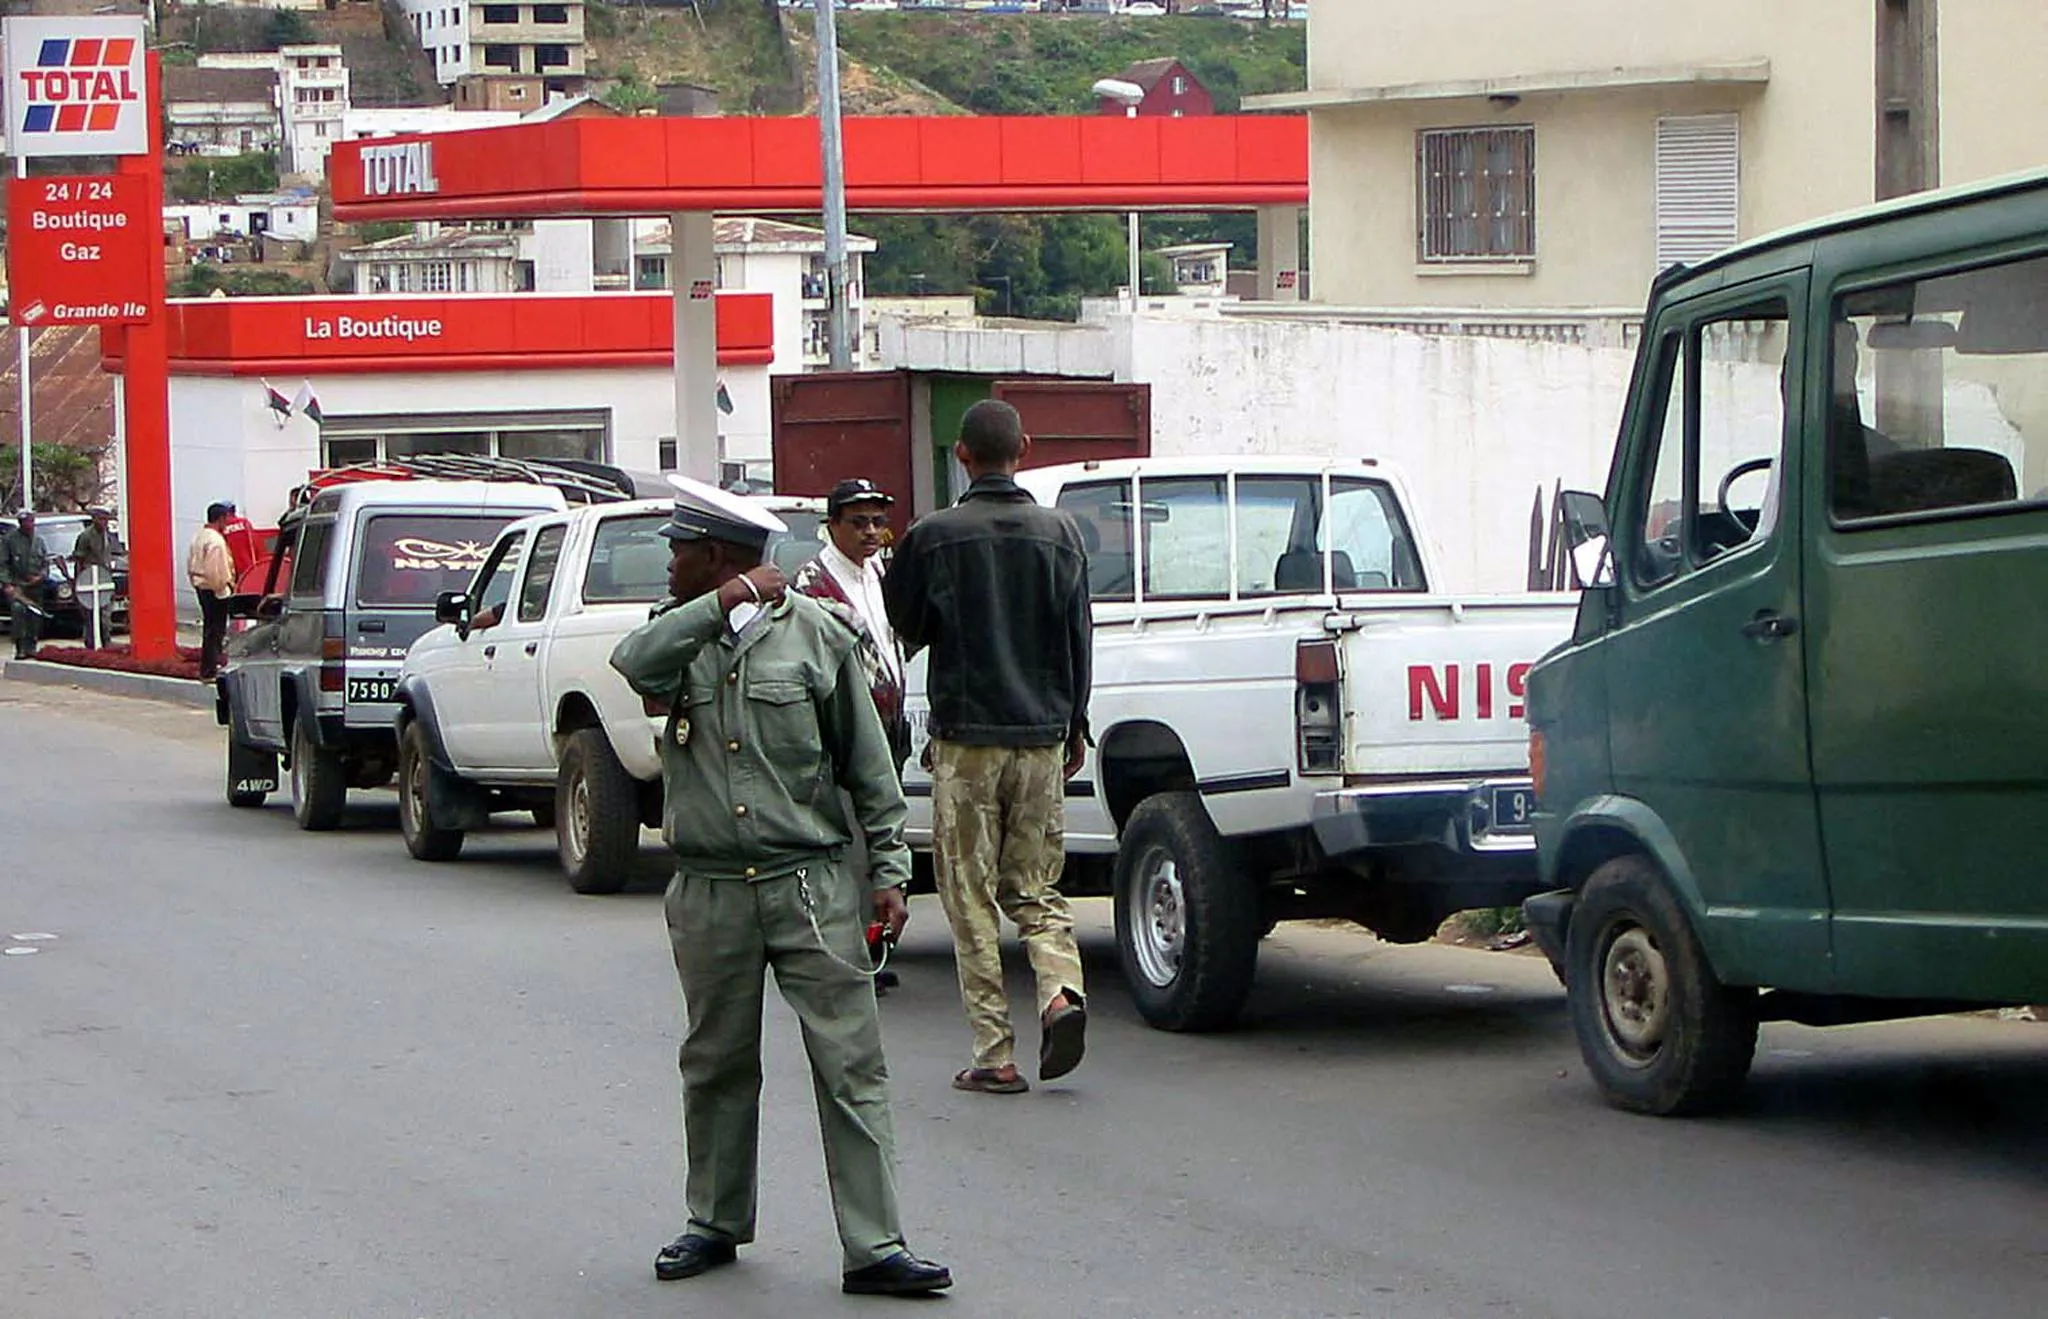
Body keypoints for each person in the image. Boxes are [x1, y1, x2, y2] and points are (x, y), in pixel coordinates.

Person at [608, 477, 952, 1298]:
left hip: (809, 883)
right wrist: (721, 600)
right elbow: (634, 665)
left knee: (850, 1064)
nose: (669, 564)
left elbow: (869, 767)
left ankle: (875, 1244)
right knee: (716, 1062)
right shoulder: (679, 632)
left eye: (680, 551)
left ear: (715, 553)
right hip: (712, 888)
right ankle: (715, 1219)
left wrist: (890, 872)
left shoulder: (818, 635)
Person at [884, 399, 1093, 1096]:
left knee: (969, 894)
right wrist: (1076, 723)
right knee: (1035, 884)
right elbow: (1078, 637)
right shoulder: (1062, 533)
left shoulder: (933, 535)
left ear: (962, 455)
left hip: (967, 741)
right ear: (1023, 448)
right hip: (1041, 737)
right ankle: (1059, 990)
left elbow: (907, 624)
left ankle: (994, 1052)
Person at [794, 478, 910, 992]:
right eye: (858, 522)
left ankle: (875, 944)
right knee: (854, 849)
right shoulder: (812, 583)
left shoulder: (880, 574)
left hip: (888, 728)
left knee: (883, 839)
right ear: (832, 525)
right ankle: (855, 951)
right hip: (842, 736)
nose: (871, 533)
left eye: (878, 522)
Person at [187, 503, 236, 680]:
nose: (228, 522)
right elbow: (216, 571)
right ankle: (210, 669)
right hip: (215, 590)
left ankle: (209, 667)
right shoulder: (215, 541)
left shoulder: (198, 537)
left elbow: (190, 564)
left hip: (201, 587)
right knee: (216, 631)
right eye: (226, 518)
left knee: (209, 629)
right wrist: (224, 588)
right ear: (221, 518)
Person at [3, 510, 50, 660]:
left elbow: (45, 563)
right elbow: (3, 564)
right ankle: (20, 648)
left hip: (36, 586)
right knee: (19, 612)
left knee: (35, 616)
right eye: (25, 522)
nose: (29, 525)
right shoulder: (9, 540)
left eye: (31, 522)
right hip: (18, 586)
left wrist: (41, 576)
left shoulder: (39, 541)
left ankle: (31, 647)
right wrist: (7, 583)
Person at [70, 508, 120, 645]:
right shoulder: (85, 536)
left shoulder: (108, 536)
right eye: (101, 519)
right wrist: (78, 583)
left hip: (104, 577)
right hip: (89, 578)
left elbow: (111, 556)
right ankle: (91, 642)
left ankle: (106, 641)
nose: (104, 522)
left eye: (106, 519)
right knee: (91, 615)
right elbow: (79, 561)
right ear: (94, 519)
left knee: (105, 613)